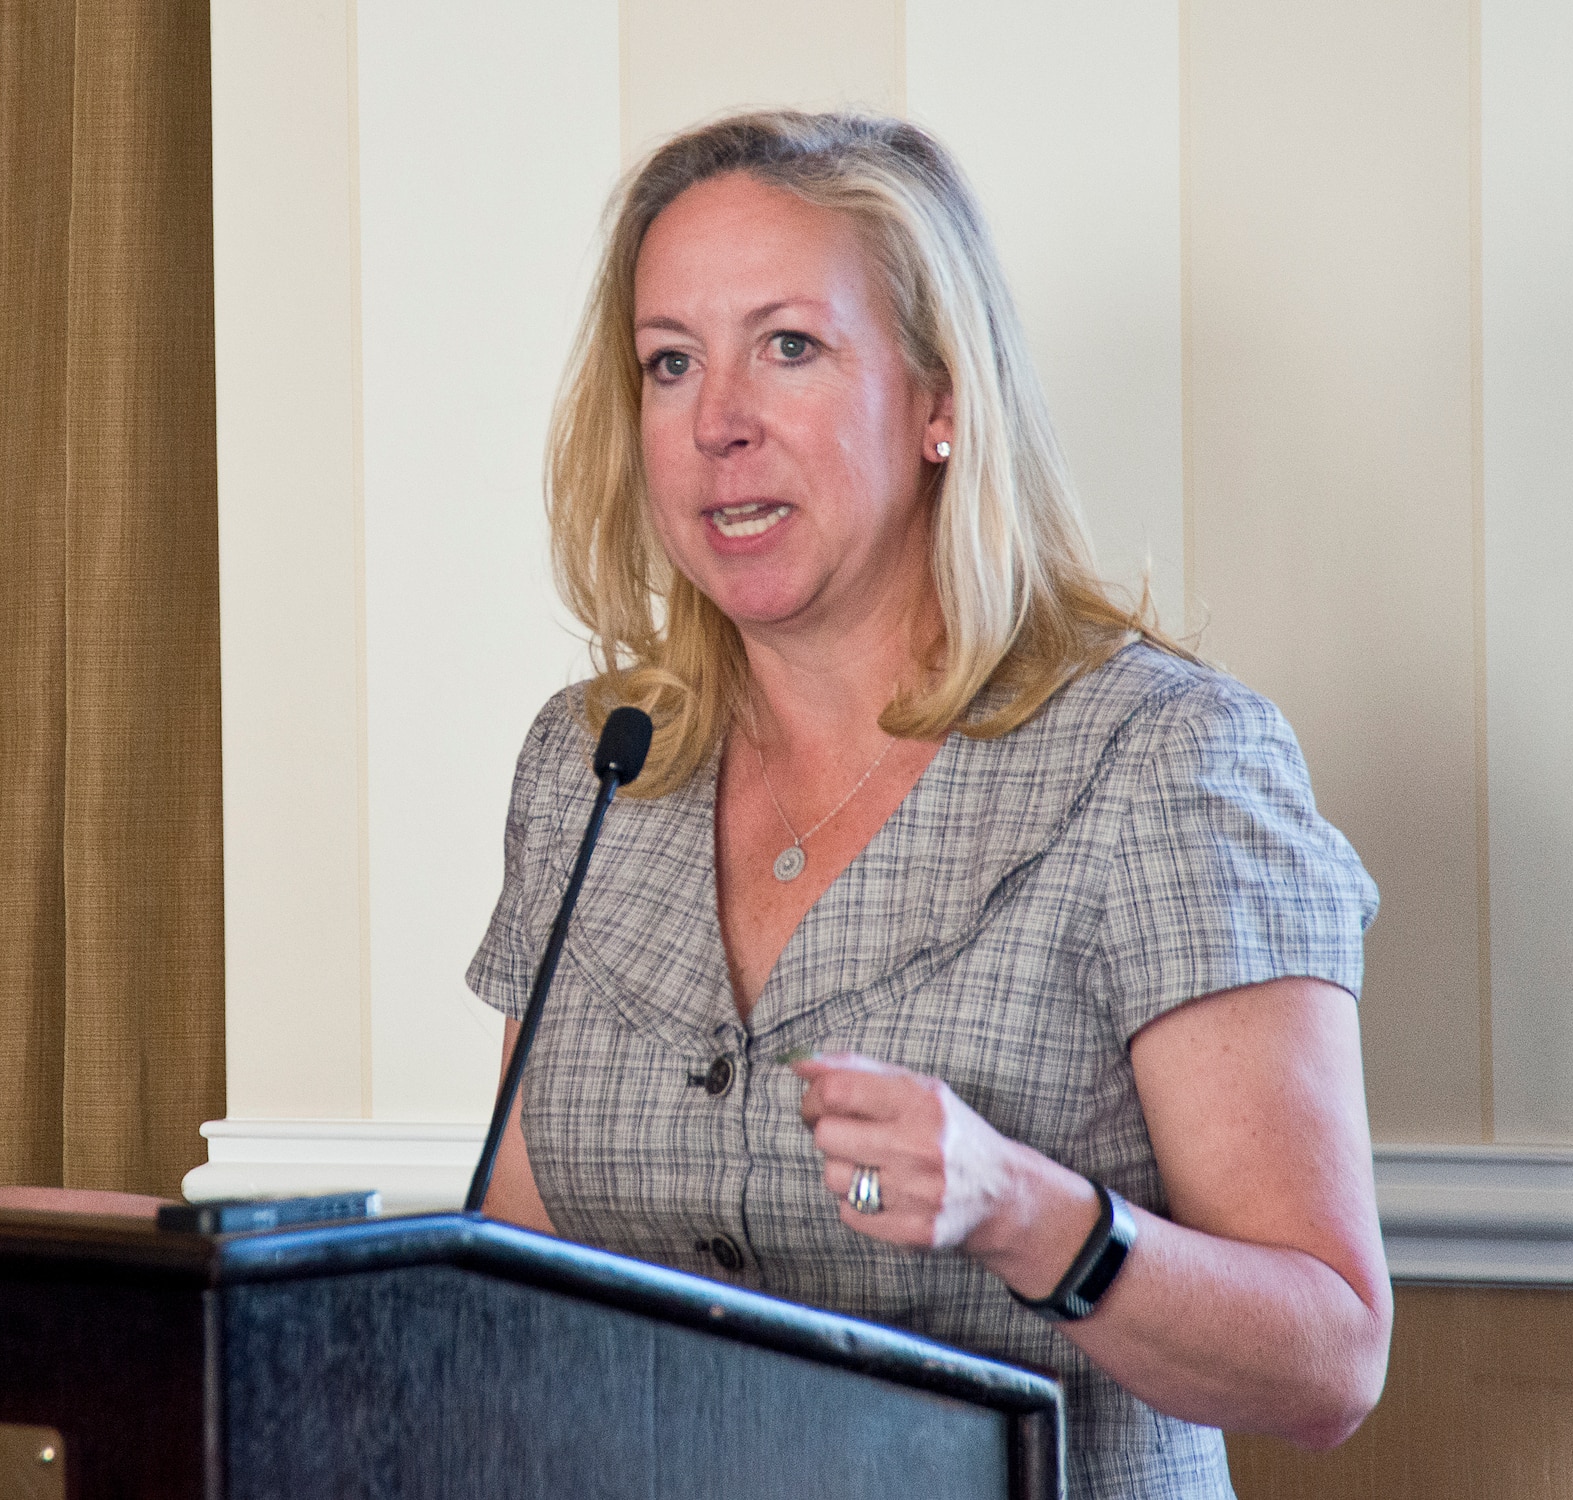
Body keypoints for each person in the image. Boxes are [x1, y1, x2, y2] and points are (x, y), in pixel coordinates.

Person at [469, 110, 1389, 1499]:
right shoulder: (596, 760)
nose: (718, 422)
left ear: (941, 400)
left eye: (789, 347)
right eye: (671, 363)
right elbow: (515, 1270)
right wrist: (220, 1264)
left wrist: (1027, 1215)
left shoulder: (1162, 762)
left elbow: (1329, 1360)